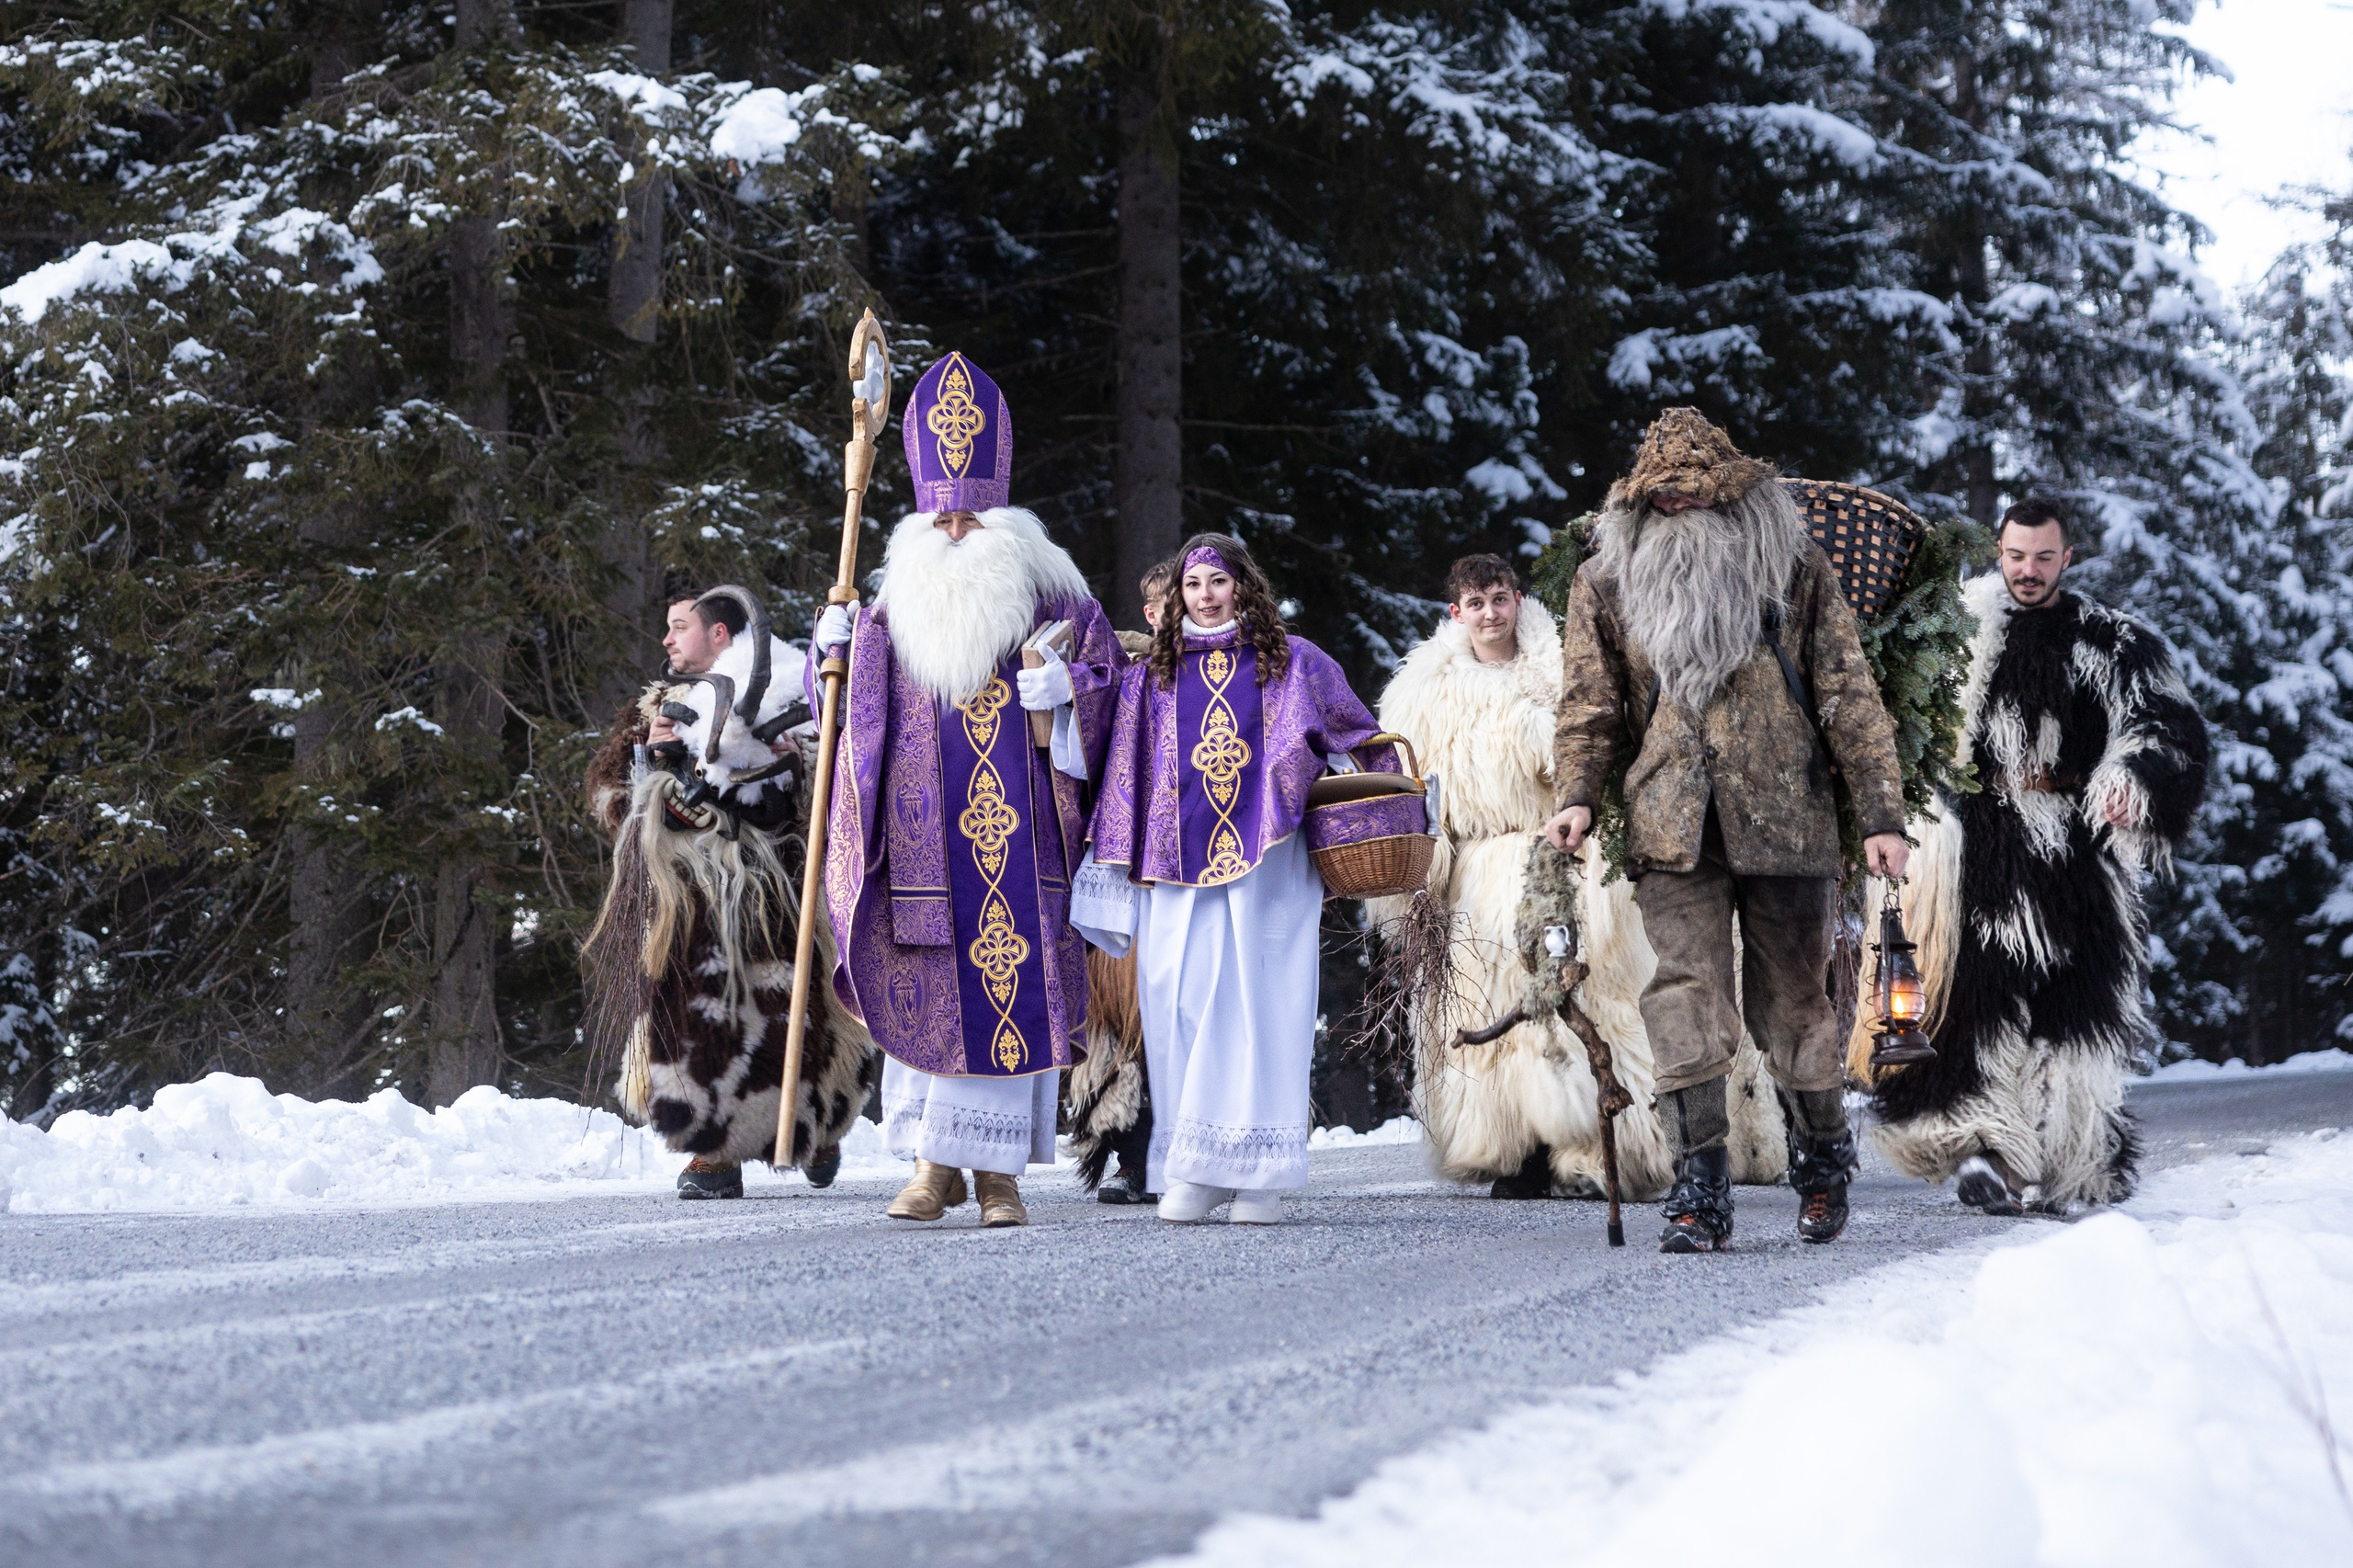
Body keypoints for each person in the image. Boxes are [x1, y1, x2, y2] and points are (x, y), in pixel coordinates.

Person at [1544, 408, 1910, 1252]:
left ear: (1730, 494)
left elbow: (1848, 693)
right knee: (1683, 996)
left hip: (1787, 814)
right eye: (1662, 498)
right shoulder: (1605, 581)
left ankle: (1822, 1161)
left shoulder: (1792, 566)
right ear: (1639, 502)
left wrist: (1880, 815)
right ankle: (1698, 1186)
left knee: (1795, 1001)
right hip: (1672, 820)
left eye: (1693, 495)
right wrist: (1577, 796)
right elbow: (1589, 706)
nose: (1677, 508)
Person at [810, 351, 1126, 1228]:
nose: (954, 531)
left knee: (1009, 984)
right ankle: (933, 1167)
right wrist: (831, 652)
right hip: (919, 841)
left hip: (1023, 841)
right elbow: (846, 718)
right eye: (941, 517)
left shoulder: (1055, 595)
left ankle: (996, 1179)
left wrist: (1065, 694)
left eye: (970, 516)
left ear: (1001, 517)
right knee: (930, 997)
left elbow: (1112, 692)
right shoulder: (888, 611)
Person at [1857, 498, 2207, 1213]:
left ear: (2066, 558)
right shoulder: (1959, 630)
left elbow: (2170, 728)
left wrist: (2131, 781)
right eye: (2016, 556)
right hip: (1977, 846)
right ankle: (1990, 1153)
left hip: (2077, 853)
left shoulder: (2110, 641)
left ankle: (2067, 1160)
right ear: (1999, 551)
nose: (2028, 570)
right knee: (1974, 1006)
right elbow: (1892, 721)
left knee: (2074, 1014)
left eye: (2044, 557)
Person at [1088, 534, 1392, 1226]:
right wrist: (1110, 864)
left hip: (1269, 867)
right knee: (1182, 1003)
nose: (1205, 597)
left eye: (1217, 582)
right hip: (1174, 866)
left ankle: (1260, 1175)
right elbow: (1120, 766)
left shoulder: (1296, 662)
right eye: (1193, 585)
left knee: (1262, 1006)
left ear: (1243, 587)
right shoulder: (1153, 677)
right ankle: (1194, 1167)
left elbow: (1362, 738)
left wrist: (1387, 800)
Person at [1375, 557, 1677, 1201]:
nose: (1490, 614)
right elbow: (1414, 789)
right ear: (1456, 613)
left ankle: (1597, 1147)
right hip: (1481, 868)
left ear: (1517, 600)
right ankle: (1512, 1150)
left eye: (1499, 599)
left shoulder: (1568, 667)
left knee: (1587, 997)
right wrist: (1418, 880)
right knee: (1488, 1005)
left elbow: (1610, 749)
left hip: (1571, 856)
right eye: (1475, 603)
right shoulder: (1423, 693)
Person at [583, 589, 876, 1200]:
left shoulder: (797, 696)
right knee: (698, 1011)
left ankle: (816, 1120)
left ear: (719, 635)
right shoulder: (655, 708)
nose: (667, 639)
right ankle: (712, 1146)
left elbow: (844, 788)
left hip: (781, 888)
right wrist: (650, 763)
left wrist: (800, 767)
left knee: (797, 1004)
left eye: (680, 626)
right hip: (690, 898)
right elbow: (612, 799)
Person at [1063, 560, 1169, 1205]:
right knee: (1118, 1020)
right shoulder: (1116, 672)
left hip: (1194, 864)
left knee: (1178, 1014)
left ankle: (1197, 1151)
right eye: (1163, 606)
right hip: (1119, 859)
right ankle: (1134, 1158)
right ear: (1150, 614)